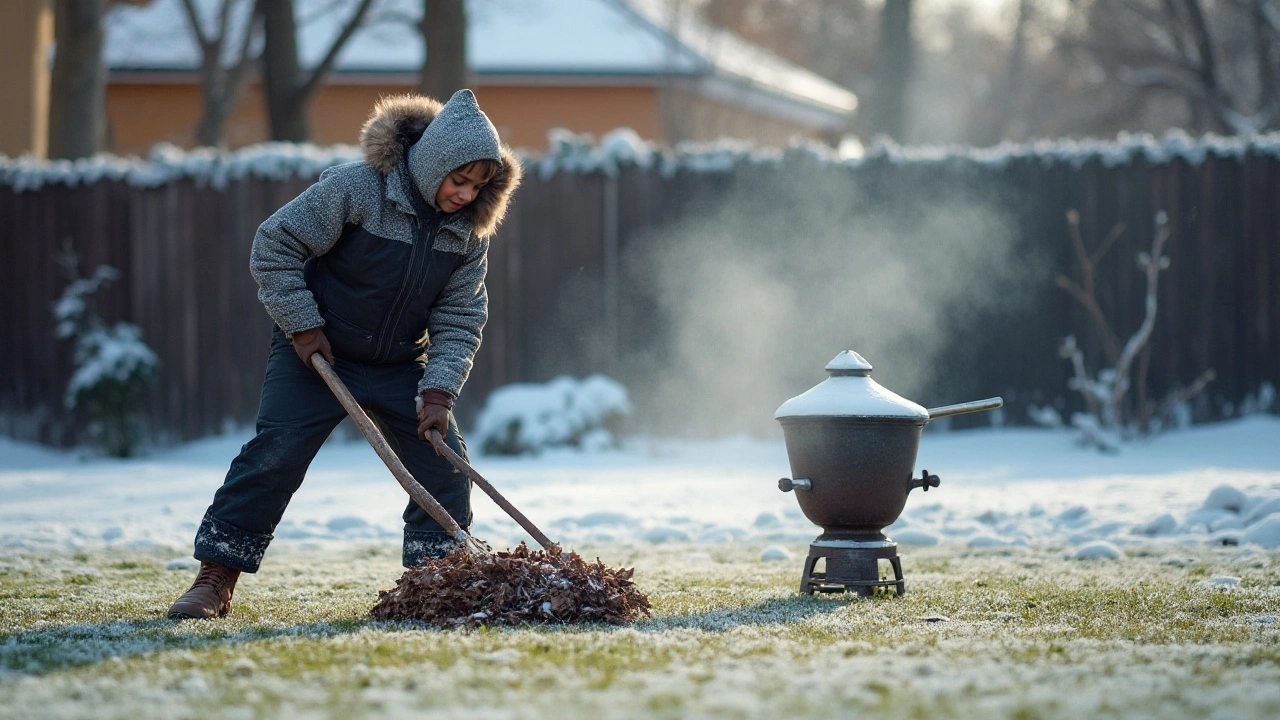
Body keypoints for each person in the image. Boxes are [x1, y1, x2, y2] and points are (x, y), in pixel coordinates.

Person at [167, 89, 522, 619]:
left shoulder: (467, 235)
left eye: (477, 186)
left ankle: (434, 586)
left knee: (444, 464)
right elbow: (275, 245)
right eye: (458, 179)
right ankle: (215, 580)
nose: (466, 195)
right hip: (317, 357)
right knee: (276, 454)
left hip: (400, 363)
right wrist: (303, 327)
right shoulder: (356, 190)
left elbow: (460, 317)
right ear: (430, 165)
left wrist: (439, 391)